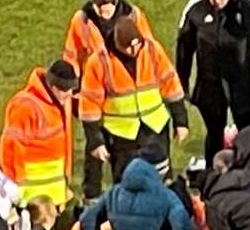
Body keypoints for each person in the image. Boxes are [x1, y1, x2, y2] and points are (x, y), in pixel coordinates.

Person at [176, 0, 250, 165]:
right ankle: (212, 179)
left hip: (244, 83)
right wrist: (182, 82)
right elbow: (184, 49)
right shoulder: (195, 9)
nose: (217, 2)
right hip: (209, 84)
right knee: (214, 132)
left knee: (247, 133)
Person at [64, 0, 157, 202]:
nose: (105, 16)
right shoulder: (82, 20)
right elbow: (72, 53)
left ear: (115, 4)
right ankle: (92, 194)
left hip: (122, 89)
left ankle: (126, 189)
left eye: (108, 11)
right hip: (95, 87)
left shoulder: (134, 16)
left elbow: (147, 48)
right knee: (94, 144)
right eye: (100, 11)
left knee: (123, 144)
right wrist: (75, 89)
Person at [79, 16, 189, 189]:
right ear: (117, 44)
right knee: (126, 183)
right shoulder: (100, 62)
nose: (134, 50)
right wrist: (96, 141)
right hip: (122, 136)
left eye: (137, 45)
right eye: (129, 46)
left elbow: (170, 84)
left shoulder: (152, 50)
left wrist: (181, 121)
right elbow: (89, 105)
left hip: (155, 128)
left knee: (162, 180)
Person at [0, 60, 80, 214]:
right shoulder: (25, 106)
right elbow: (12, 146)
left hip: (55, 195)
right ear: (51, 86)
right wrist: (15, 184)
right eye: (64, 90)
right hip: (32, 199)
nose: (69, 94)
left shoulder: (62, 100)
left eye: (72, 89)